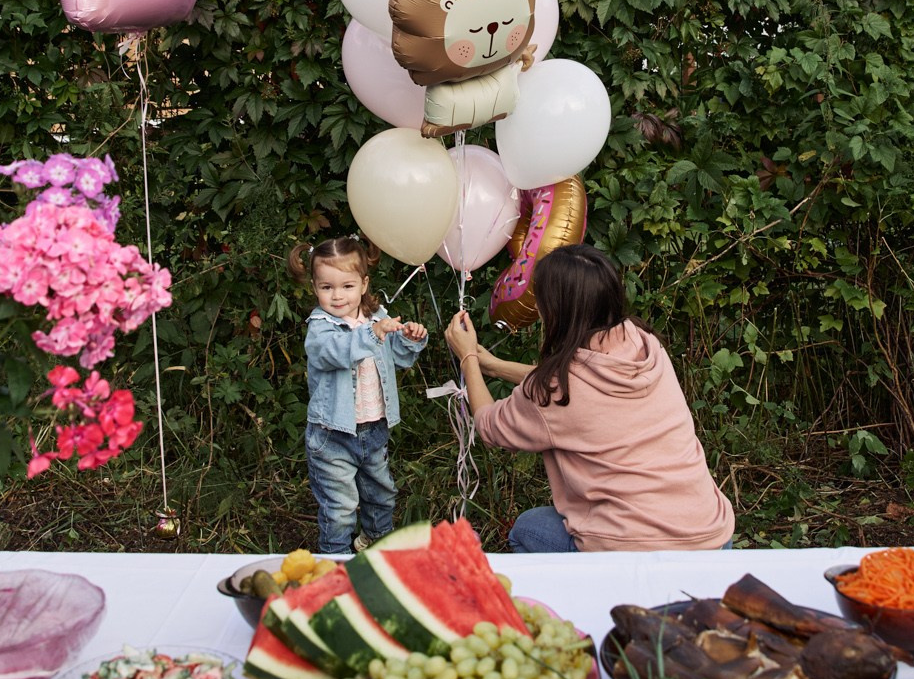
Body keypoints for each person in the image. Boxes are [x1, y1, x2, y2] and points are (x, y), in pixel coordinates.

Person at [443, 243, 734, 553]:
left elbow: (489, 425)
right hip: (712, 537)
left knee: (527, 529)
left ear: (554, 310)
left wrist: (468, 357)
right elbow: (576, 382)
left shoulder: (555, 389)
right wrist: (495, 367)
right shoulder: (644, 343)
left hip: (636, 550)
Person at [292, 236, 427, 555]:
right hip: (332, 435)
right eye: (327, 287)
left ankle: (376, 547)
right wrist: (371, 335)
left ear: (364, 284)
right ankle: (335, 559)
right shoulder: (320, 327)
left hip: (374, 428)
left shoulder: (377, 316)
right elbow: (332, 353)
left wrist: (409, 338)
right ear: (315, 287)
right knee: (340, 506)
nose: (337, 296)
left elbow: (399, 357)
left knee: (381, 494)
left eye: (347, 286)